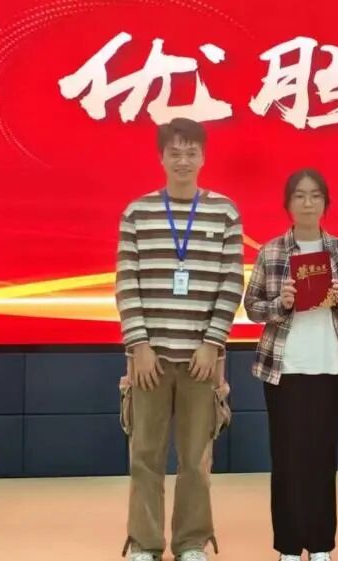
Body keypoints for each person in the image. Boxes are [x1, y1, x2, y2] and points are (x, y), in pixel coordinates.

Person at [116, 118, 244, 561]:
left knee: (196, 459)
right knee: (144, 456)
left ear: (203, 157)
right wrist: (140, 346)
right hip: (149, 360)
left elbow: (231, 282)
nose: (183, 160)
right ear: (161, 157)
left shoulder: (225, 213)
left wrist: (212, 343)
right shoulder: (137, 213)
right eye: (175, 152)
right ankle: (145, 543)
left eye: (191, 152)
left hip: (201, 360)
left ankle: (191, 542)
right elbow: (126, 284)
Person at [243, 168, 338, 561]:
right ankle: (287, 544)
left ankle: (320, 544)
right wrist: (280, 303)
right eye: (299, 195)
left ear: (325, 203)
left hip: (331, 365)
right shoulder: (271, 251)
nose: (308, 202)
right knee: (285, 456)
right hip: (284, 367)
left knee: (323, 455)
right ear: (288, 204)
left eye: (315, 196)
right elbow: (252, 308)